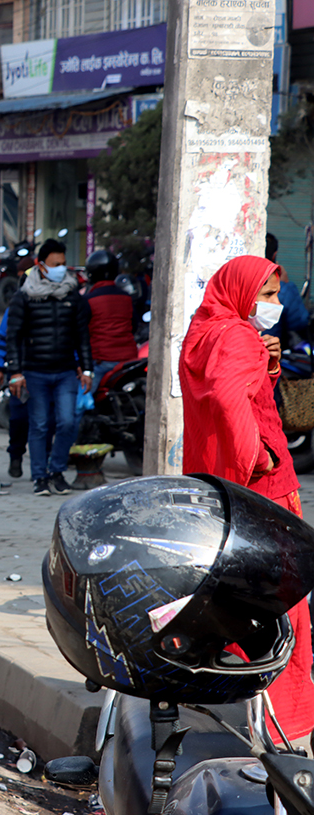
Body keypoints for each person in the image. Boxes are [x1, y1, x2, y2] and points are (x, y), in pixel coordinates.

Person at [179, 252, 314, 750]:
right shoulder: (236, 335)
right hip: (263, 488)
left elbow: (239, 392)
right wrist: (258, 457)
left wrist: (269, 362)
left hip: (219, 484)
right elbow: (229, 400)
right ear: (243, 293)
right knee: (286, 608)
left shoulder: (208, 327)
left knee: (237, 597)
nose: (275, 304)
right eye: (268, 295)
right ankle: (289, 731)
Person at [5, 239, 92, 496]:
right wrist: (15, 372)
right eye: (55, 265)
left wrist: (87, 369)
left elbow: (82, 335)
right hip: (35, 372)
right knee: (40, 424)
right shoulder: (24, 296)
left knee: (67, 422)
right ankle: (40, 477)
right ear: (40, 266)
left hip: (66, 371)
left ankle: (57, 471)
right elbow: (14, 337)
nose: (60, 270)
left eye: (63, 265)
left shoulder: (71, 295)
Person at [82, 250, 138, 392]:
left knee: (77, 407)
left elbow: (81, 333)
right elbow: (134, 326)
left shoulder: (89, 300)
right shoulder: (127, 298)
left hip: (102, 362)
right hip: (129, 359)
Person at [0, 307, 30, 479]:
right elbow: (3, 339)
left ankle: (41, 468)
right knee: (18, 419)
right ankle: (16, 456)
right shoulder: (17, 305)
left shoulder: (59, 301)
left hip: (47, 371)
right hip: (18, 371)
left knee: (45, 423)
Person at [263, 233, 311, 346]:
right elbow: (299, 321)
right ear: (275, 255)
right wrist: (285, 284)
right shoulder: (284, 289)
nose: (275, 302)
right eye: (269, 294)